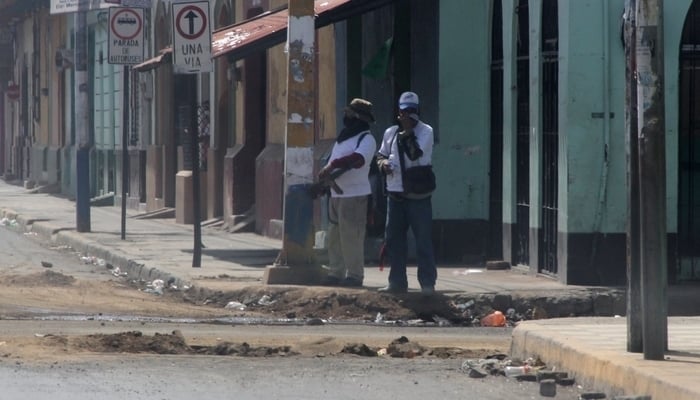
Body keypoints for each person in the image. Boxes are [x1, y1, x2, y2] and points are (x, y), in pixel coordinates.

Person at [376, 91, 437, 295]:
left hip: (418, 196)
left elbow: (414, 154)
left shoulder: (425, 131)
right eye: (404, 112)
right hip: (395, 195)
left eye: (412, 111)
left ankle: (427, 283)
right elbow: (381, 155)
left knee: (423, 241)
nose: (408, 116)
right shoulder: (390, 132)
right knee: (394, 240)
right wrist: (384, 164)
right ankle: (397, 281)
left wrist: (408, 131)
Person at [318, 98, 377, 287]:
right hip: (336, 195)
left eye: (349, 114)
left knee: (352, 236)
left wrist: (333, 165)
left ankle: (354, 275)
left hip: (355, 195)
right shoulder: (343, 138)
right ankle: (336, 272)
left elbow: (358, 159)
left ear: (358, 117)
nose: (346, 117)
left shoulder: (366, 139)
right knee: (334, 236)